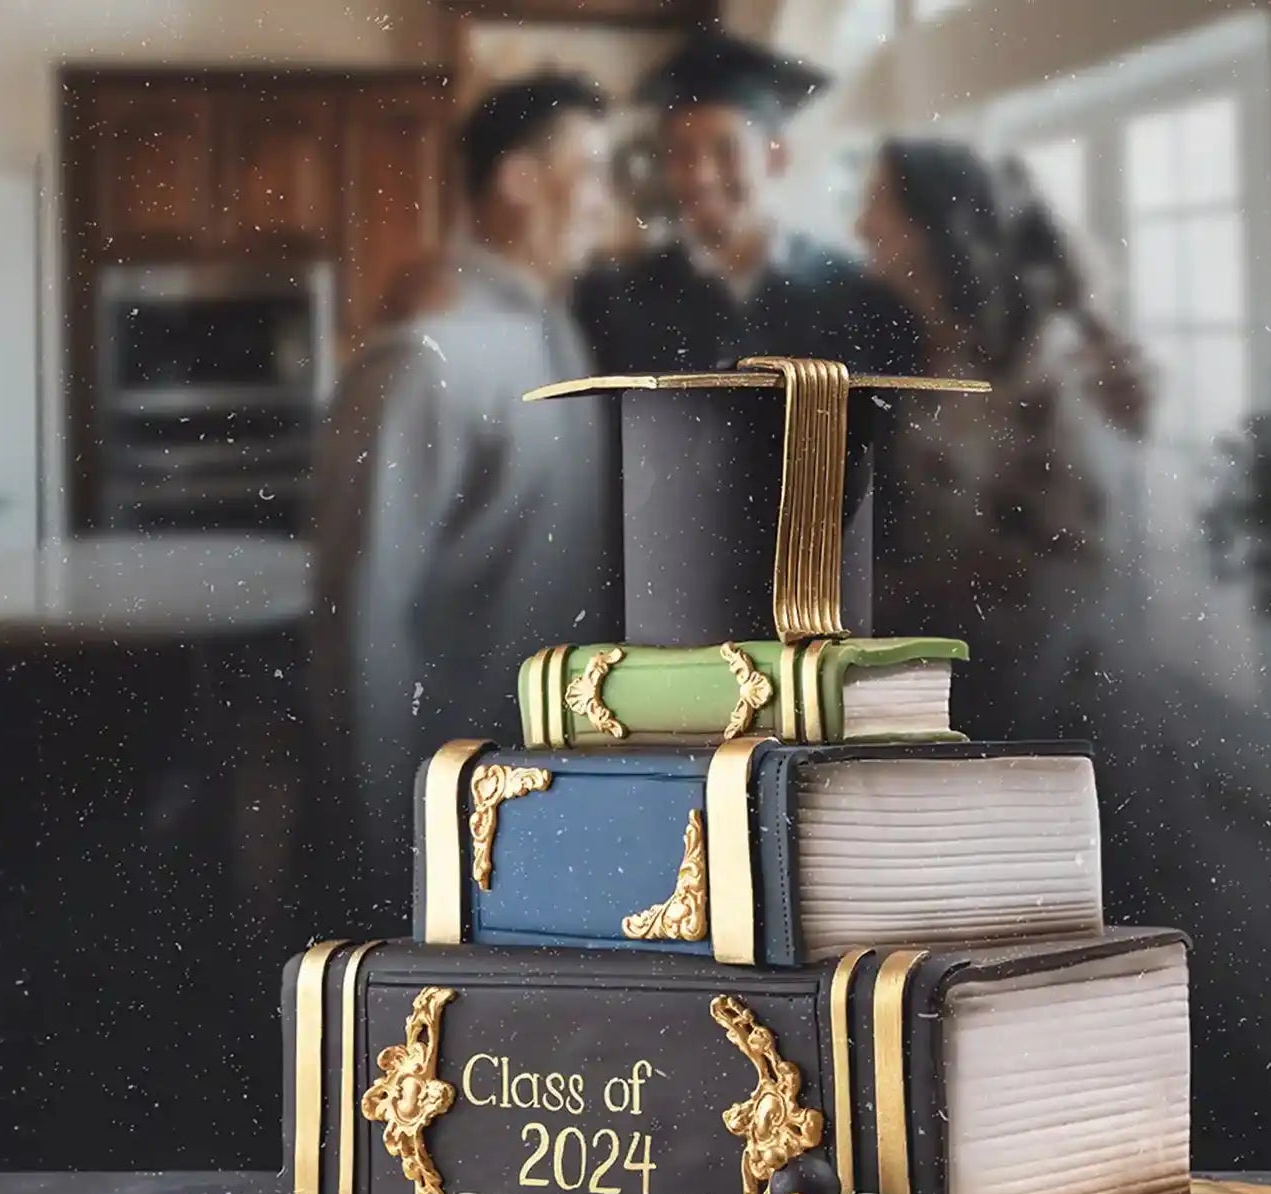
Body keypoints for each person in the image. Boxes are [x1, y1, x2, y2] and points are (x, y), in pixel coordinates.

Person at [313, 73, 622, 899]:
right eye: (591, 169)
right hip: (444, 818)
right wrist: (387, 859)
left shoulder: (556, 337)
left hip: (549, 791)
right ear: (520, 181)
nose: (605, 198)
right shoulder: (425, 359)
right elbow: (362, 624)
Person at [855, 138, 1151, 740]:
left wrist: (898, 592)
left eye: (879, 203)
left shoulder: (1040, 359)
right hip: (953, 678)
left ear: (931, 223)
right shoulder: (917, 346)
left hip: (1043, 695)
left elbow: (1069, 565)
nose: (860, 225)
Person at [576, 33, 914, 375]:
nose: (701, 176)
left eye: (726, 150)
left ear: (775, 156)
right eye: (682, 153)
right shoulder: (620, 301)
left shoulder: (852, 295)